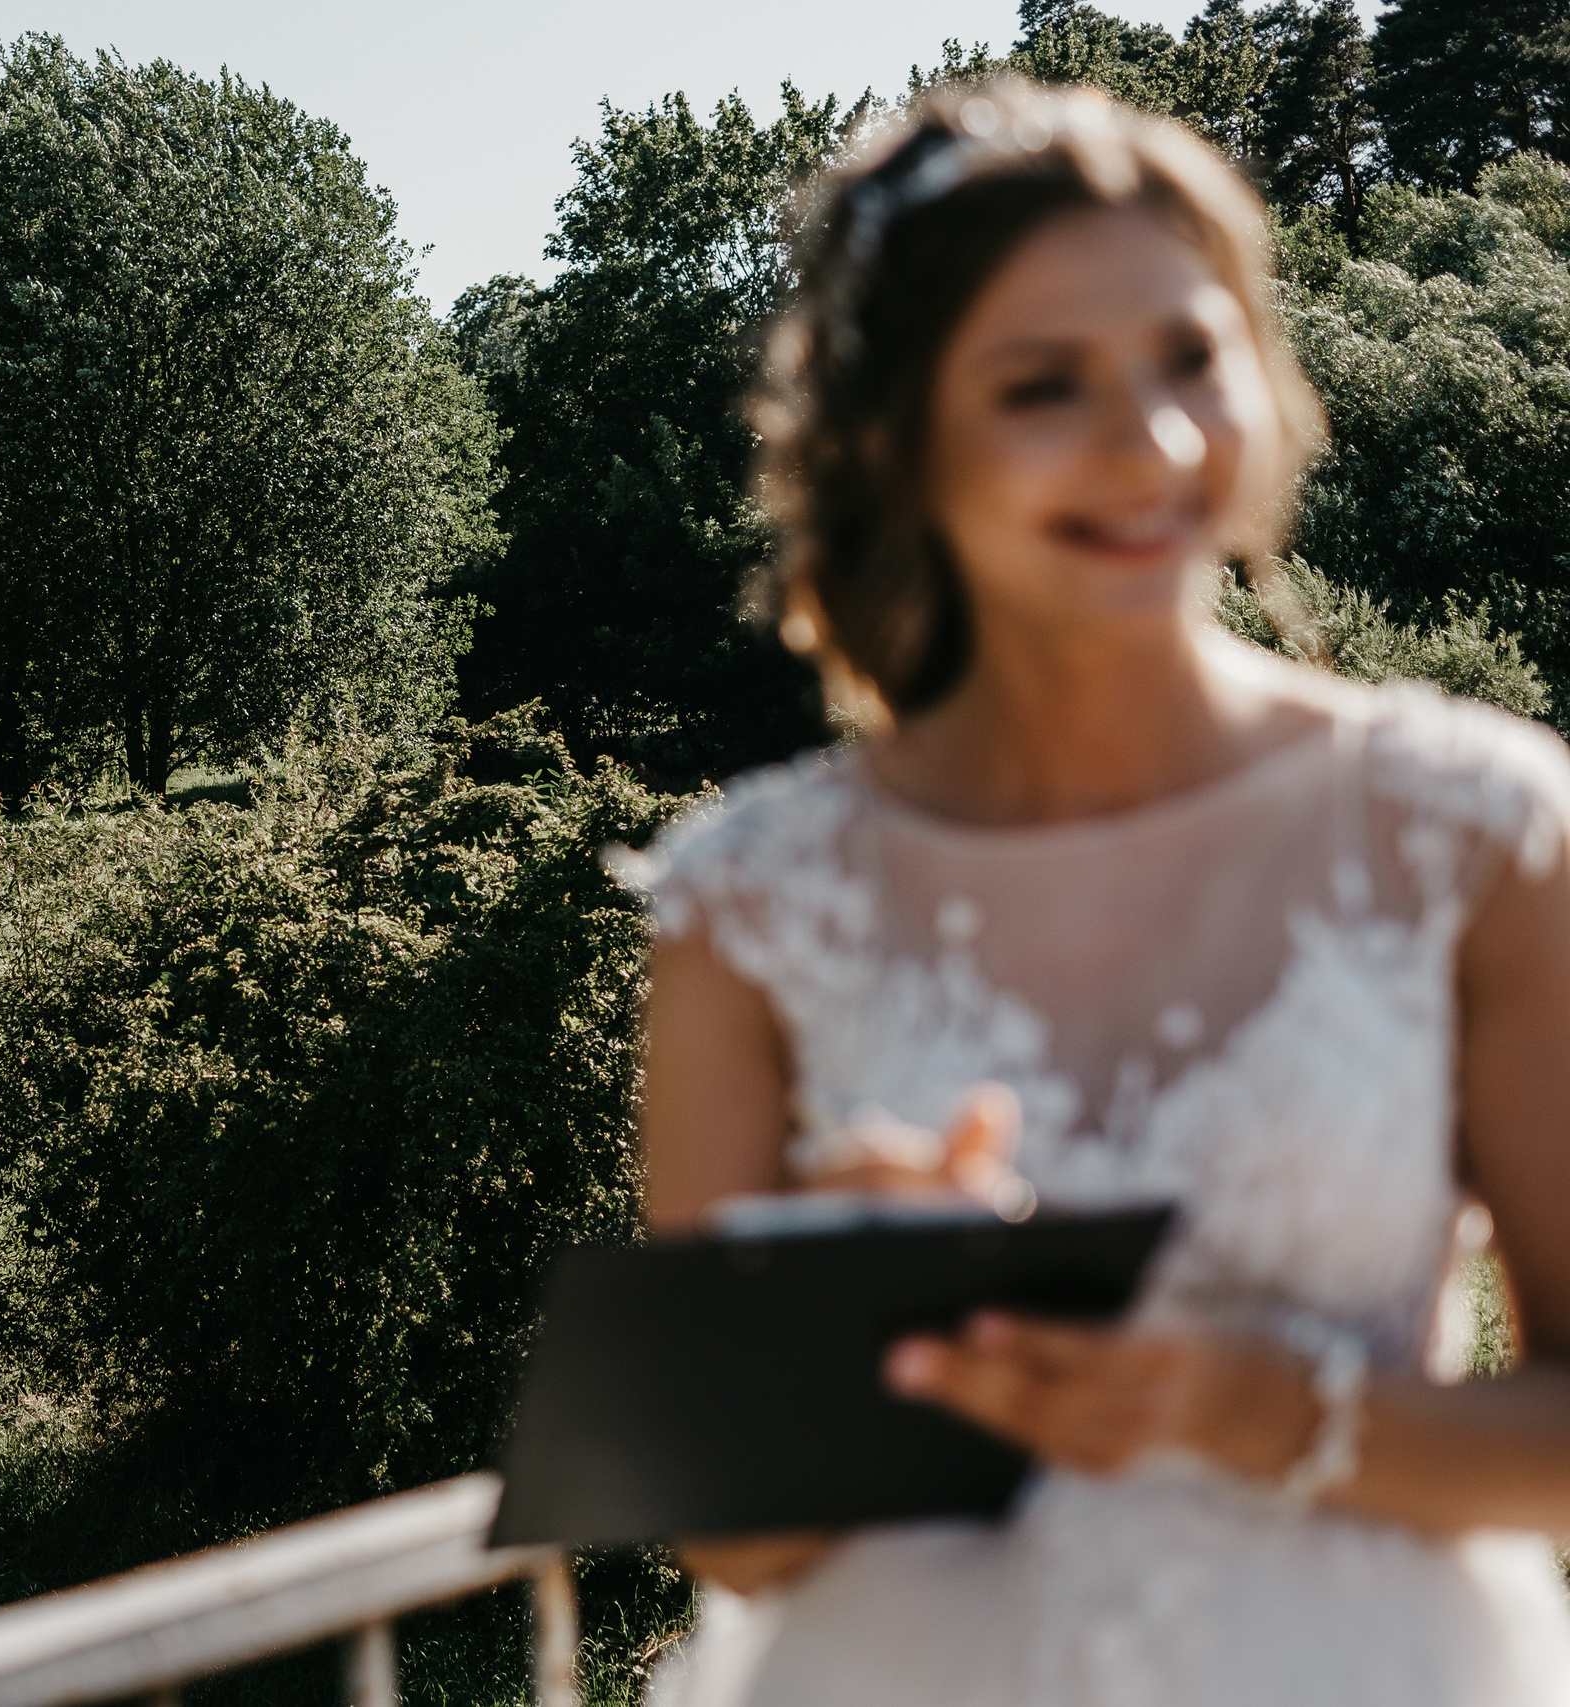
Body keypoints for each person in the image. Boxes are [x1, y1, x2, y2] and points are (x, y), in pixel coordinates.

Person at [632, 78, 1570, 1706]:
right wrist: (839, 1317)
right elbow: (731, 1541)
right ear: (897, 439)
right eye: (1042, 386)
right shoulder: (754, 897)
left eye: (1189, 357)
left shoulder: (1467, 831)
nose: (1151, 442)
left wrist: (1255, 1408)